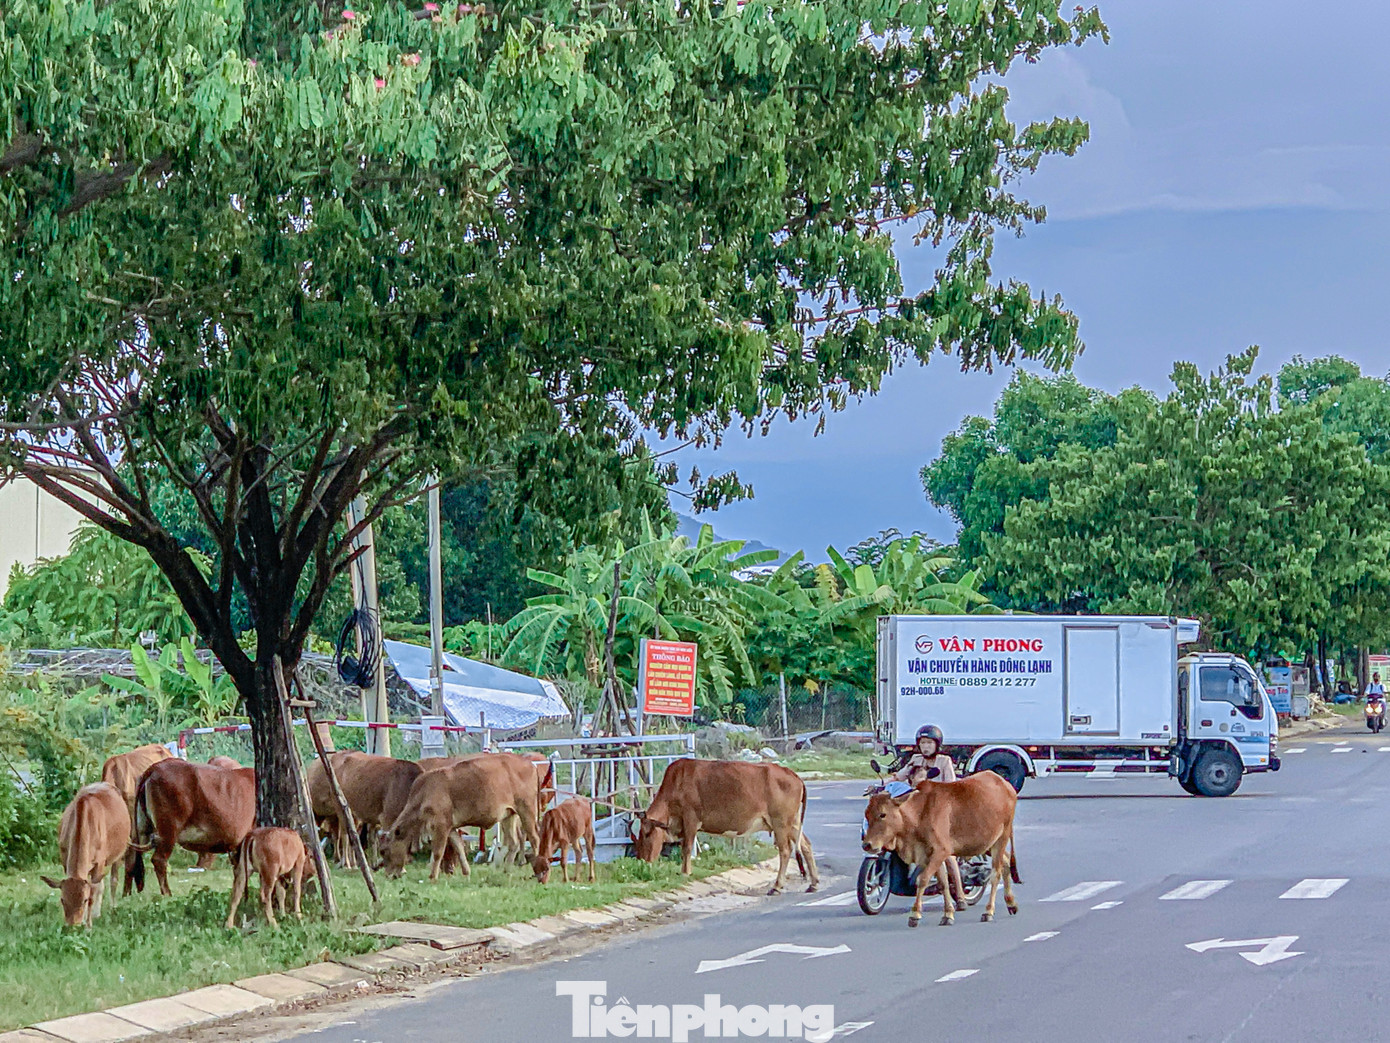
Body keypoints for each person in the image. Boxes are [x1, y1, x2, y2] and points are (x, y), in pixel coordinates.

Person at [892, 724, 964, 904]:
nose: (926, 747)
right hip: (919, 810)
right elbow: (899, 777)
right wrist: (881, 787)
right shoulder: (915, 760)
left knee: (946, 852)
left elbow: (952, 786)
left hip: (941, 812)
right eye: (923, 743)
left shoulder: (944, 761)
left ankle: (960, 894)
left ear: (937, 745)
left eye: (929, 743)